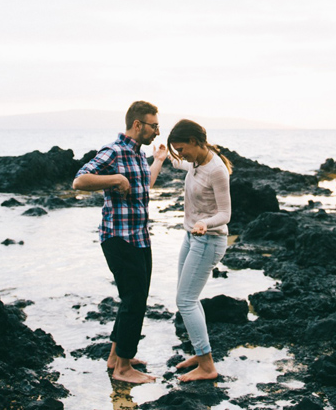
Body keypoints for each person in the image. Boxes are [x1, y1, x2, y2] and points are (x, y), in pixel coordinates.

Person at [72, 101, 168, 384]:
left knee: (134, 298)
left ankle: (116, 357)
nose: (157, 132)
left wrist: (159, 160)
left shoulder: (138, 154)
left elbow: (144, 186)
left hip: (139, 237)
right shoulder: (114, 151)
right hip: (118, 237)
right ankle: (123, 369)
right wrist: (114, 179)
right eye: (154, 126)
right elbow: (79, 181)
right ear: (137, 124)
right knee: (134, 300)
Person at [166, 119, 232, 382]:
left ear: (194, 141)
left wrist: (206, 223)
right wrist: (165, 155)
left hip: (209, 240)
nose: (180, 155)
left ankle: (207, 366)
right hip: (192, 237)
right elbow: (180, 163)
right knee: (188, 299)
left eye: (182, 149)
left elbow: (225, 214)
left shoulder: (217, 170)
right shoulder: (195, 162)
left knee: (185, 300)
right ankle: (200, 353)